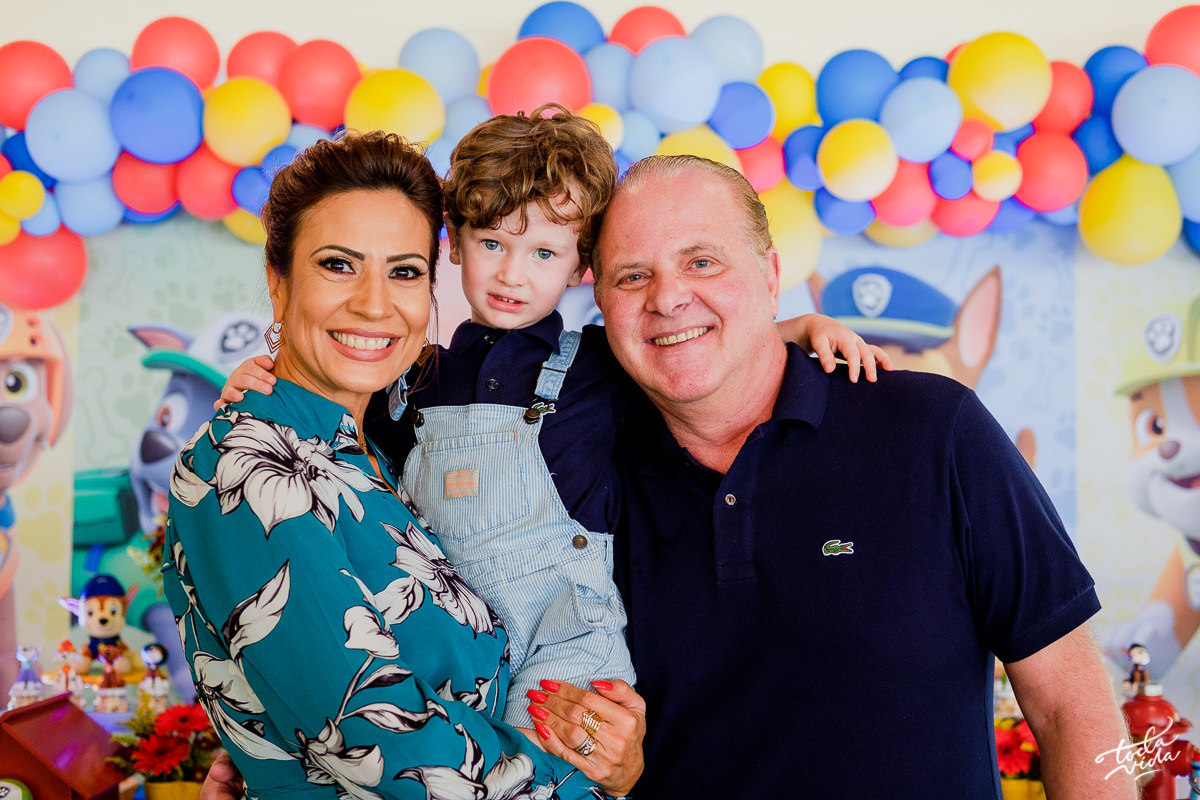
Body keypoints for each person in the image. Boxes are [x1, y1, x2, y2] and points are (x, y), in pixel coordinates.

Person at [220, 107, 890, 735]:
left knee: (554, 774)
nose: (513, 275)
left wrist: (802, 326)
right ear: (453, 244)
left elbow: (701, 343)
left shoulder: (600, 364)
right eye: (492, 243)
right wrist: (263, 378)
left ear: (580, 268)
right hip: (449, 635)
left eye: (544, 253)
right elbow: (341, 458)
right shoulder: (412, 378)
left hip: (567, 637)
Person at [578, 154, 1136, 798]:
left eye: (702, 262)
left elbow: (1073, 709)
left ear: (770, 276)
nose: (667, 297)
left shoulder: (934, 430)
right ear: (601, 303)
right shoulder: (575, 473)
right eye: (632, 276)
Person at [164, 130, 646, 799]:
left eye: (404, 271)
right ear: (278, 282)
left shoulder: (375, 456)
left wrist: (610, 761)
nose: (374, 303)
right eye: (338, 264)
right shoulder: (251, 465)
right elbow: (377, 740)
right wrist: (590, 784)